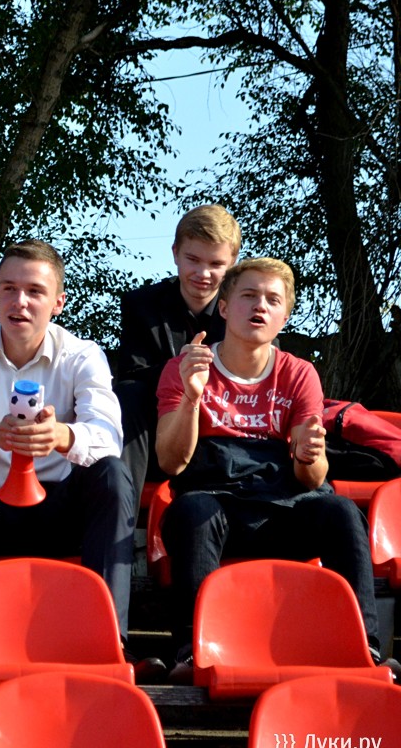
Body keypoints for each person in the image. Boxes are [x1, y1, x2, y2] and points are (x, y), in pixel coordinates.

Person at [155, 258, 396, 681]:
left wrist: (309, 454)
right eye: (249, 296)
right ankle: (193, 651)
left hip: (283, 504)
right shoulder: (186, 366)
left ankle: (365, 648)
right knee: (193, 512)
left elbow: (312, 478)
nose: (260, 307)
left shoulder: (299, 373)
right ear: (224, 307)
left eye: (273, 300)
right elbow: (171, 462)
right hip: (215, 502)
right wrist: (193, 398)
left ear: (284, 317)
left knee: (341, 511)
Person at [0, 239, 150, 678]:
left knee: (112, 473)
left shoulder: (82, 355)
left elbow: (108, 436)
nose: (19, 302)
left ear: (58, 303)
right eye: (8, 288)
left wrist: (62, 436)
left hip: (58, 512)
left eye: (34, 291)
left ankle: (111, 640)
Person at [115, 204, 238, 501]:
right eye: (192, 259)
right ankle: (122, 506)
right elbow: (132, 373)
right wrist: (181, 371)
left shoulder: (247, 309)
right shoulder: (141, 305)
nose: (203, 273)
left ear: (233, 263)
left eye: (216, 264)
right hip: (157, 430)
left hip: (223, 426)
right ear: (175, 254)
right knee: (129, 393)